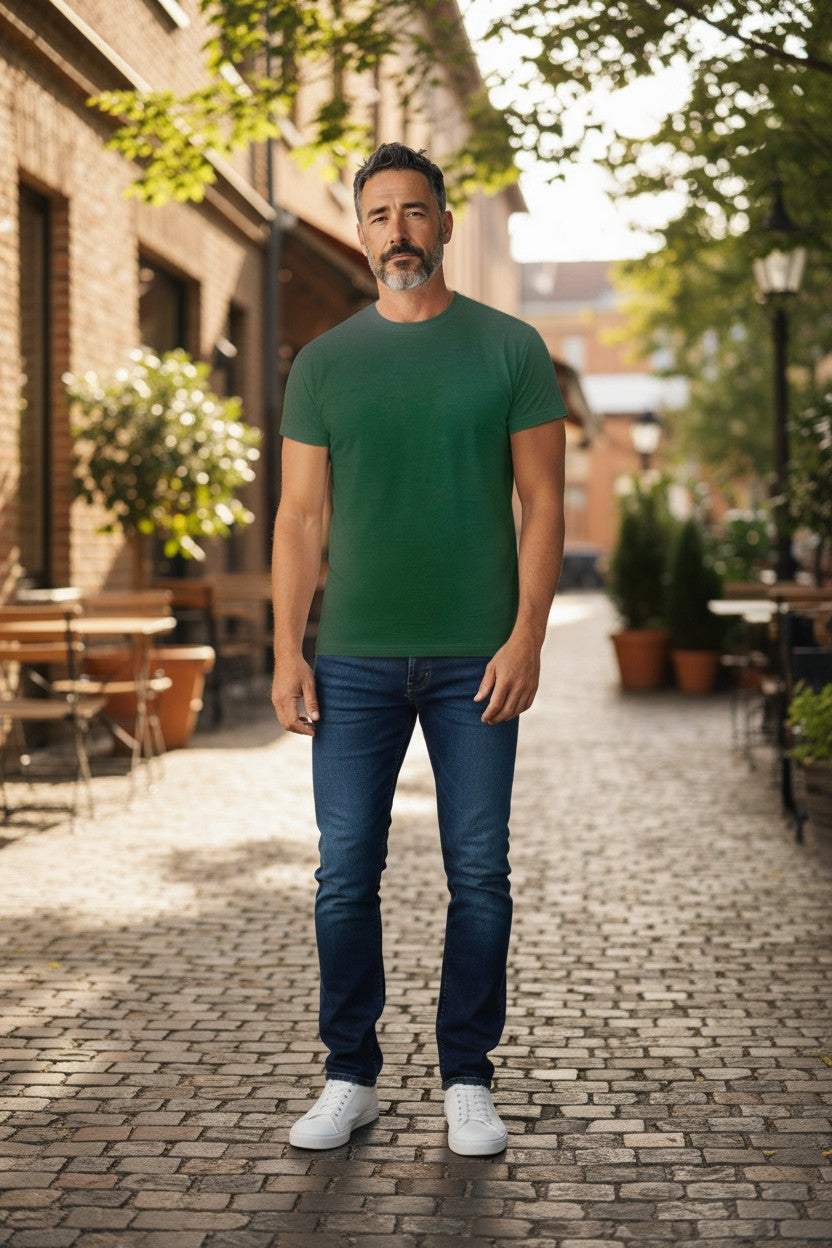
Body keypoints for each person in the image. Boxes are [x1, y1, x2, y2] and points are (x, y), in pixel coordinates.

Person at [271, 142, 566, 1156]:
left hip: (475, 658)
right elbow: (299, 521)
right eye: (377, 214)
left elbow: (544, 503)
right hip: (351, 657)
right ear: (361, 233)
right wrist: (285, 651)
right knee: (345, 874)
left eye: (414, 211)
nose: (396, 230)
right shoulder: (324, 363)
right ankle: (349, 1072)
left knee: (478, 873)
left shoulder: (510, 348)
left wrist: (528, 634)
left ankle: (466, 1077)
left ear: (444, 223)